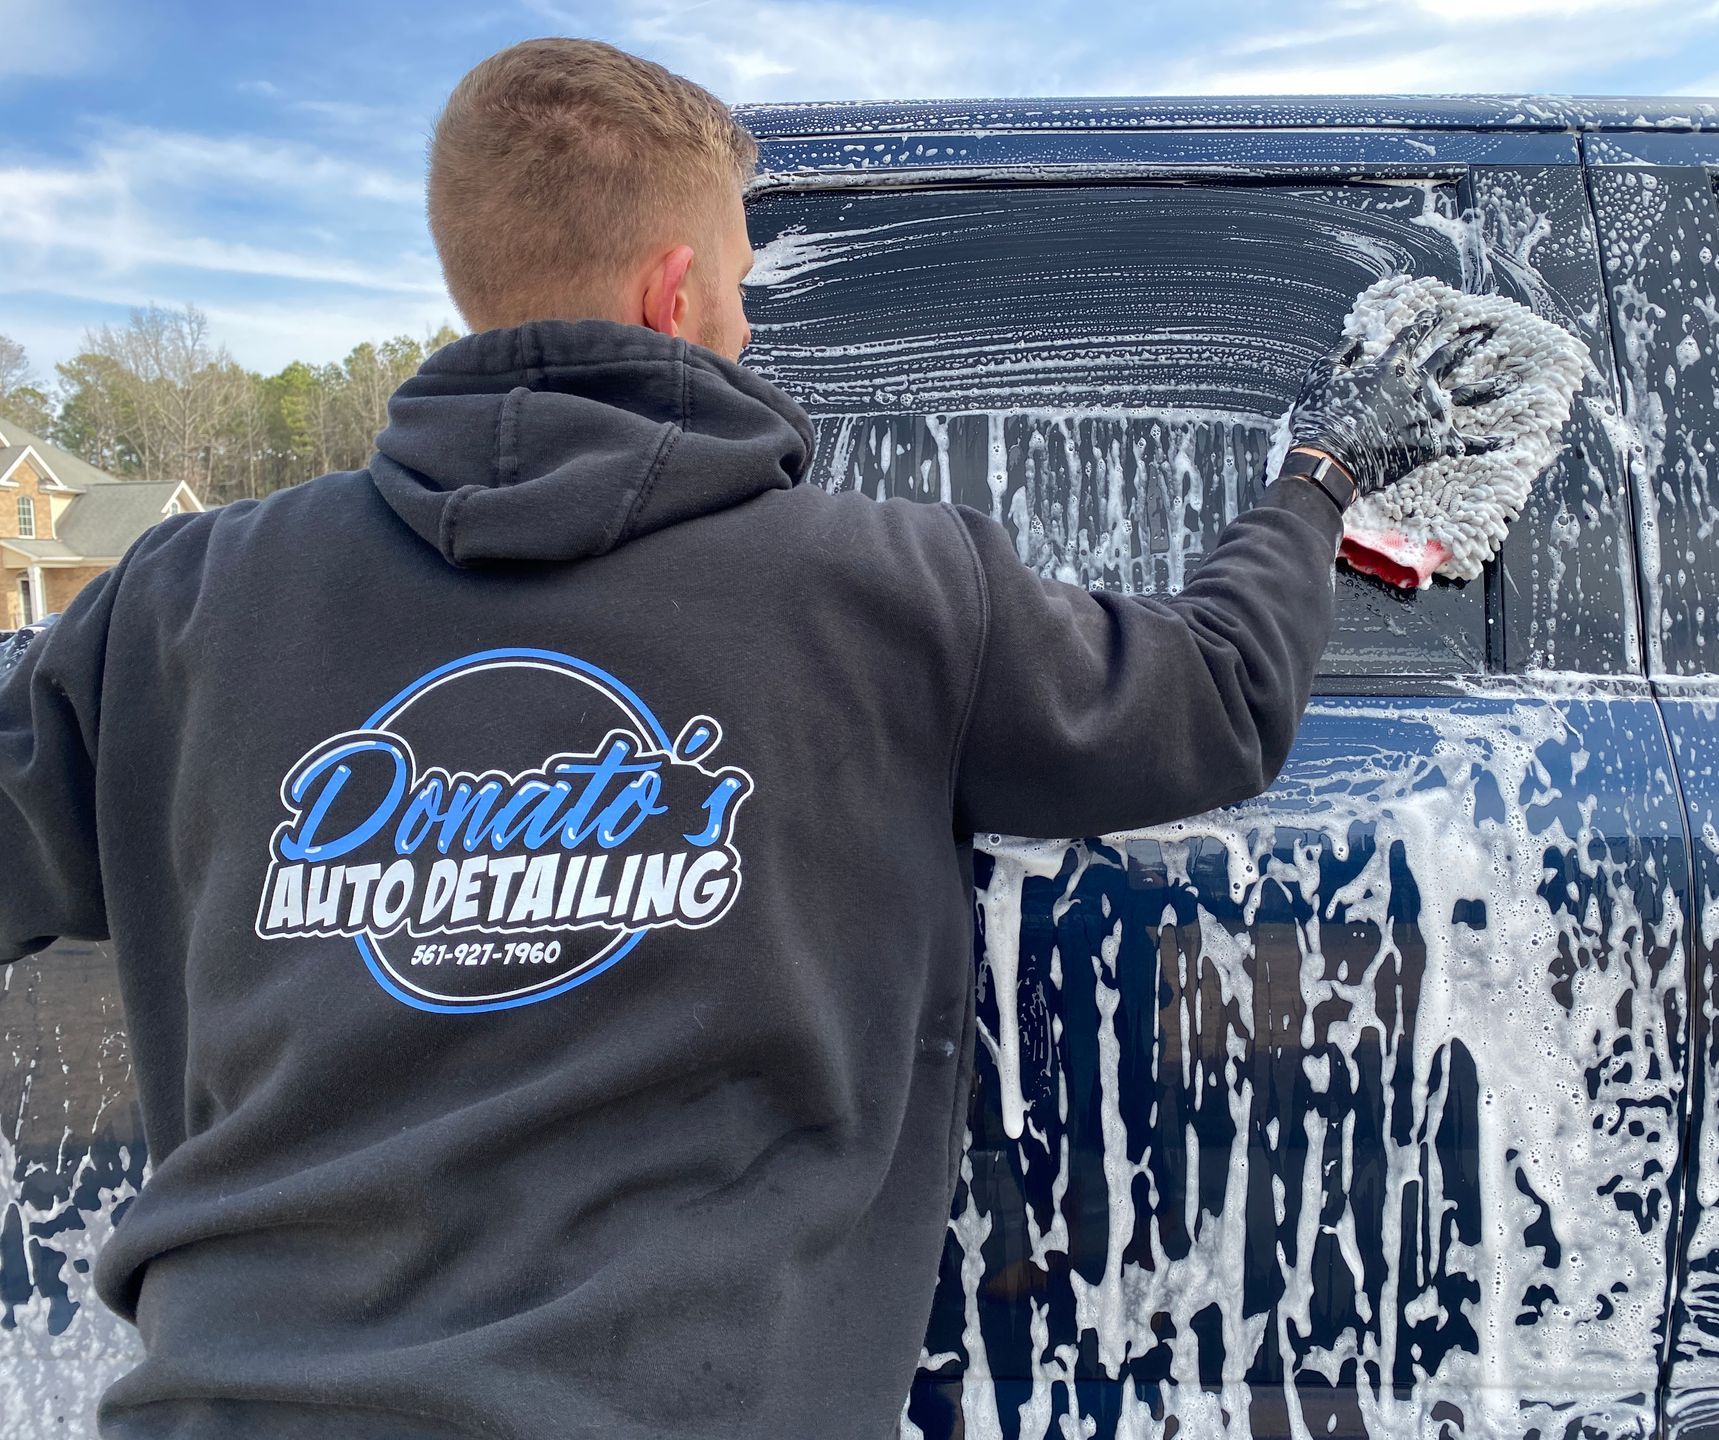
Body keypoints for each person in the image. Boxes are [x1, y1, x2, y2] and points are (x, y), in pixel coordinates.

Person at [0, 37, 1494, 1440]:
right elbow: (1215, 700)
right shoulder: (888, 589)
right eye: (736, 279)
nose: (747, 318)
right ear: (670, 291)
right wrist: (1321, 471)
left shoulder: (177, 607)